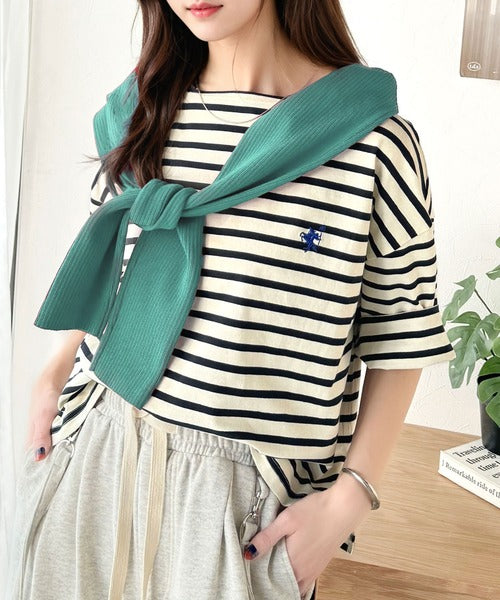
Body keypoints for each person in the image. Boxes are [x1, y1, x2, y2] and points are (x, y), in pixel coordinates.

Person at [7, 1, 457, 599]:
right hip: (93, 456)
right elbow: (105, 259)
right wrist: (53, 373)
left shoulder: (371, 142)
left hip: (243, 507)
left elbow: (401, 335)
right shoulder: (139, 111)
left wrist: (351, 497)